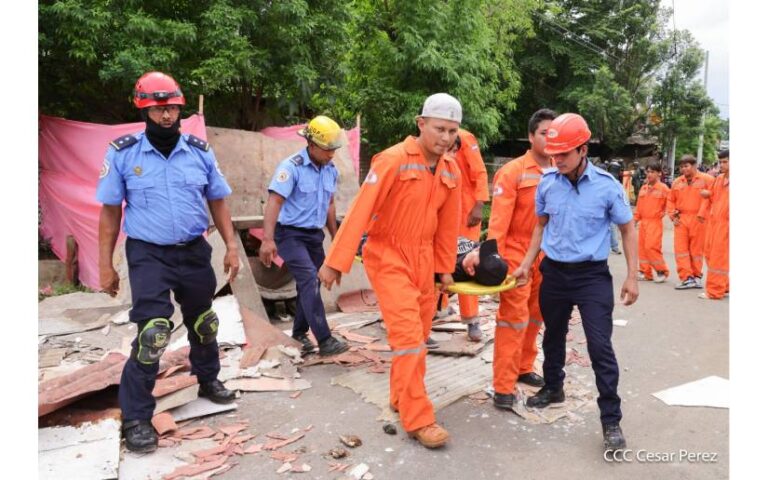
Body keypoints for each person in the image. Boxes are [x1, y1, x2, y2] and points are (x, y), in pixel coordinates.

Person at [97, 72, 240, 453]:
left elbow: (219, 200)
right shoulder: (123, 152)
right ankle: (137, 416)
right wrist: (105, 264)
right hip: (148, 253)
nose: (167, 115)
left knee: (204, 322)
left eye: (173, 107)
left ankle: (208, 379)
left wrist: (231, 244)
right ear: (144, 108)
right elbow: (110, 213)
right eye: (159, 108)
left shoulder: (199, 151)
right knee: (153, 332)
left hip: (194, 249)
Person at [318, 93, 463, 449]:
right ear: (421, 123)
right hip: (389, 256)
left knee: (418, 335)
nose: (445, 138)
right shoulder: (393, 160)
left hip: (425, 259)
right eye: (440, 129)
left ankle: (401, 396)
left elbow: (448, 225)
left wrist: (445, 270)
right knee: (410, 338)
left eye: (452, 131)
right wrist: (336, 261)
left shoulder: (450, 169)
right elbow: (360, 210)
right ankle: (419, 419)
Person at [512, 113, 639, 454]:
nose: (557, 160)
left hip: (591, 276)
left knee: (600, 347)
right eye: (554, 154)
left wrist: (632, 275)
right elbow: (540, 226)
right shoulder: (548, 182)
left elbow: (627, 230)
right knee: (552, 336)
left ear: (583, 149)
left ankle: (610, 419)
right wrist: (526, 263)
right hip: (554, 271)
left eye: (564, 154)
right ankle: (554, 387)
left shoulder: (607, 187)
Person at [259, 116, 349, 357]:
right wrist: (268, 239)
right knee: (310, 278)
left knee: (312, 283)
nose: (332, 154)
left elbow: (330, 204)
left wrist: (335, 236)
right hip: (289, 234)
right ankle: (325, 340)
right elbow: (274, 201)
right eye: (327, 149)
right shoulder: (291, 167)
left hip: (313, 236)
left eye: (334, 149)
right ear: (311, 144)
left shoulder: (330, 169)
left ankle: (299, 333)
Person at [486, 108, 557, 411]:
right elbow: (498, 222)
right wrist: (494, 261)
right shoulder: (514, 171)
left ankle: (523, 367)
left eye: (555, 134)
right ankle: (503, 386)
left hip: (548, 257)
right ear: (531, 136)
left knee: (536, 317)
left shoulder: (560, 170)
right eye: (544, 133)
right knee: (512, 321)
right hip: (516, 256)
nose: (550, 139)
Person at [448, 129, 490, 341]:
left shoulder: (464, 138)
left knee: (468, 263)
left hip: (466, 212)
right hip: (444, 210)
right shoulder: (429, 140)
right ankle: (439, 307)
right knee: (438, 261)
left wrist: (479, 204)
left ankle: (471, 319)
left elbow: (480, 172)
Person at [667, 154, 715, 289]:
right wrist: (672, 215)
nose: (683, 169)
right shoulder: (677, 182)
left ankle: (696, 276)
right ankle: (686, 277)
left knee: (696, 250)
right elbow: (670, 200)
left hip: (700, 219)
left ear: (694, 166)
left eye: (686, 166)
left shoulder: (707, 179)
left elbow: (715, 197)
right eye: (681, 167)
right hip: (681, 219)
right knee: (680, 249)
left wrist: (706, 215)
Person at [698, 150, 729, 300]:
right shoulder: (719, 179)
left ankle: (715, 291)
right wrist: (706, 194)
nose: (722, 165)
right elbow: (713, 195)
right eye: (721, 162)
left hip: (726, 224)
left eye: (725, 162)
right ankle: (725, 286)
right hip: (715, 222)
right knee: (710, 253)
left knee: (718, 257)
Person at [634, 164, 670, 282]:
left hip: (654, 222)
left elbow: (671, 202)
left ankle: (661, 271)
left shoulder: (664, 188)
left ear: (659, 173)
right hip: (643, 222)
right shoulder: (644, 188)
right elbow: (639, 206)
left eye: (652, 172)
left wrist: (667, 213)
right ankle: (645, 272)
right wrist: (635, 219)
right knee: (642, 248)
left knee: (651, 247)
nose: (649, 174)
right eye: (648, 172)